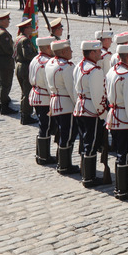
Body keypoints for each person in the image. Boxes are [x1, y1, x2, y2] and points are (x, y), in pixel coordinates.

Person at [106, 44, 128, 200]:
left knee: (121, 152)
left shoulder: (112, 71)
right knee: (124, 154)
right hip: (124, 118)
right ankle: (123, 189)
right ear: (127, 56)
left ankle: (120, 187)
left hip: (114, 116)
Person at [74, 40, 108, 188]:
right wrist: (103, 114)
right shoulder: (95, 70)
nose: (101, 53)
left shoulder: (79, 66)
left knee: (85, 140)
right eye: (98, 51)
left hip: (80, 107)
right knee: (91, 144)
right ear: (92, 53)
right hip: (91, 111)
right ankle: (89, 177)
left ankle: (85, 172)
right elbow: (97, 96)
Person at [47, 39, 79, 175]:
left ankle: (62, 161)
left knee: (62, 132)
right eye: (69, 49)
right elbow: (72, 89)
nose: (71, 51)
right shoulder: (67, 67)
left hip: (55, 101)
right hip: (66, 104)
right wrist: (78, 105)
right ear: (63, 51)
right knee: (68, 134)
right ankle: (65, 165)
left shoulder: (50, 63)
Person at [29, 36, 56, 165]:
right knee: (46, 126)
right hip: (45, 98)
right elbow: (48, 83)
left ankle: (40, 154)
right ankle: (44, 157)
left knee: (43, 125)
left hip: (35, 94)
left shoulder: (35, 59)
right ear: (46, 47)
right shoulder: (47, 62)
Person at [0, 11, 17, 115]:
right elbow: (9, 50)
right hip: (4, 61)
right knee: (5, 84)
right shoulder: (2, 34)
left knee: (0, 83)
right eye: (7, 19)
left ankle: (1, 102)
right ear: (1, 21)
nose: (9, 21)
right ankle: (4, 106)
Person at [13, 19, 38, 124]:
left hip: (19, 66)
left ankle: (24, 113)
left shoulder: (18, 38)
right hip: (25, 67)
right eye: (30, 27)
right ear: (26, 29)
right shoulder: (25, 40)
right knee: (27, 92)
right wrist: (37, 57)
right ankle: (26, 115)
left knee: (24, 92)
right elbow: (27, 55)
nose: (32, 29)